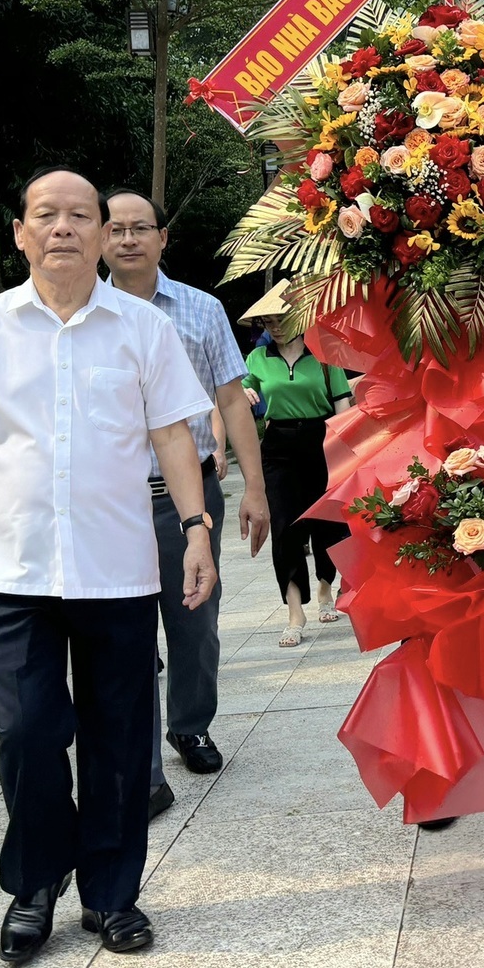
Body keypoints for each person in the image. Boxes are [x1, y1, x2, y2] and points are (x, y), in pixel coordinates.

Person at [0, 167, 217, 964]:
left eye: (79, 215)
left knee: (120, 741)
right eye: (45, 215)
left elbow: (173, 438)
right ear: (19, 232)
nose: (63, 228)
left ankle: (113, 897)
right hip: (14, 572)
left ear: (100, 233)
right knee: (25, 732)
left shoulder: (143, 329)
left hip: (117, 569)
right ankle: (35, 887)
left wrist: (195, 529)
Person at [101, 189, 271, 817]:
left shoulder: (200, 311)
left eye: (139, 228)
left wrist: (254, 488)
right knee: (124, 632)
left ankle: (190, 724)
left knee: (194, 620)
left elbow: (232, 401)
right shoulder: (83, 314)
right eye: (114, 229)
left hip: (189, 495)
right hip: (112, 501)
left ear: (162, 237)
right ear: (99, 239)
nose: (127, 240)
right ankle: (139, 760)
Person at [242, 304, 356, 646]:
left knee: (328, 523)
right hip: (277, 447)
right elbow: (239, 390)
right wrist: (244, 392)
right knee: (284, 528)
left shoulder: (324, 355)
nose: (275, 327)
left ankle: (325, 587)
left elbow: (342, 405)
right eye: (268, 322)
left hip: (321, 441)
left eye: (281, 319)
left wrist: (347, 454)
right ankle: (295, 612)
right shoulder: (257, 358)